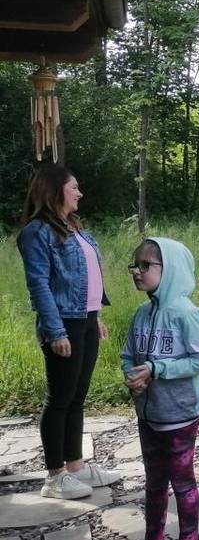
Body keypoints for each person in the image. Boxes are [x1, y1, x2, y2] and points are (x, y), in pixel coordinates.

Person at [117, 237, 199, 540]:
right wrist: (132, 375)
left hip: (180, 415)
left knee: (182, 482)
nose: (137, 272)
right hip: (148, 413)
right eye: (136, 265)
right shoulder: (141, 315)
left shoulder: (187, 314)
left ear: (169, 269)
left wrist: (157, 369)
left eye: (146, 266)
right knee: (154, 483)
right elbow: (128, 355)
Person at [16, 164, 119, 500]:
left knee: (77, 396)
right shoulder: (37, 232)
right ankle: (55, 475)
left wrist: (96, 315)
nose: (80, 193)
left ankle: (75, 466)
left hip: (86, 320)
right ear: (56, 190)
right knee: (59, 398)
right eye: (74, 187)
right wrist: (55, 330)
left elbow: (86, 277)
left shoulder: (74, 227)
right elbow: (40, 285)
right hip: (63, 323)